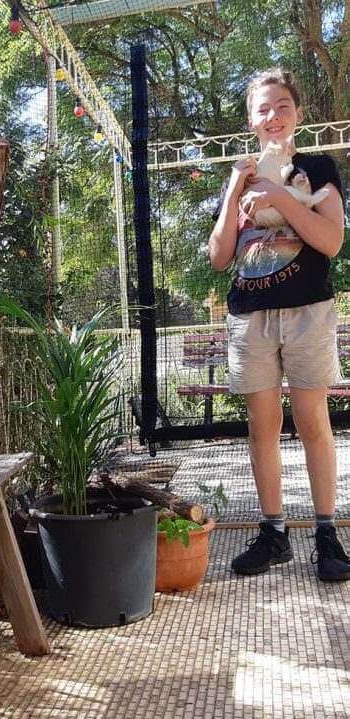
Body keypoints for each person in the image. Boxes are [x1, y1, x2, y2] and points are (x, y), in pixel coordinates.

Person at [208, 68, 348, 581]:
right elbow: (220, 257)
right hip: (250, 314)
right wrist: (233, 193)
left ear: (298, 114)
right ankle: (273, 532)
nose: (273, 116)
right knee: (261, 427)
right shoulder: (239, 175)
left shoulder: (318, 168)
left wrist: (278, 195)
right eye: (263, 108)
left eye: (282, 106)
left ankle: (327, 533)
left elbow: (331, 241)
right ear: (251, 119)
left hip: (308, 311)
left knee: (313, 421)